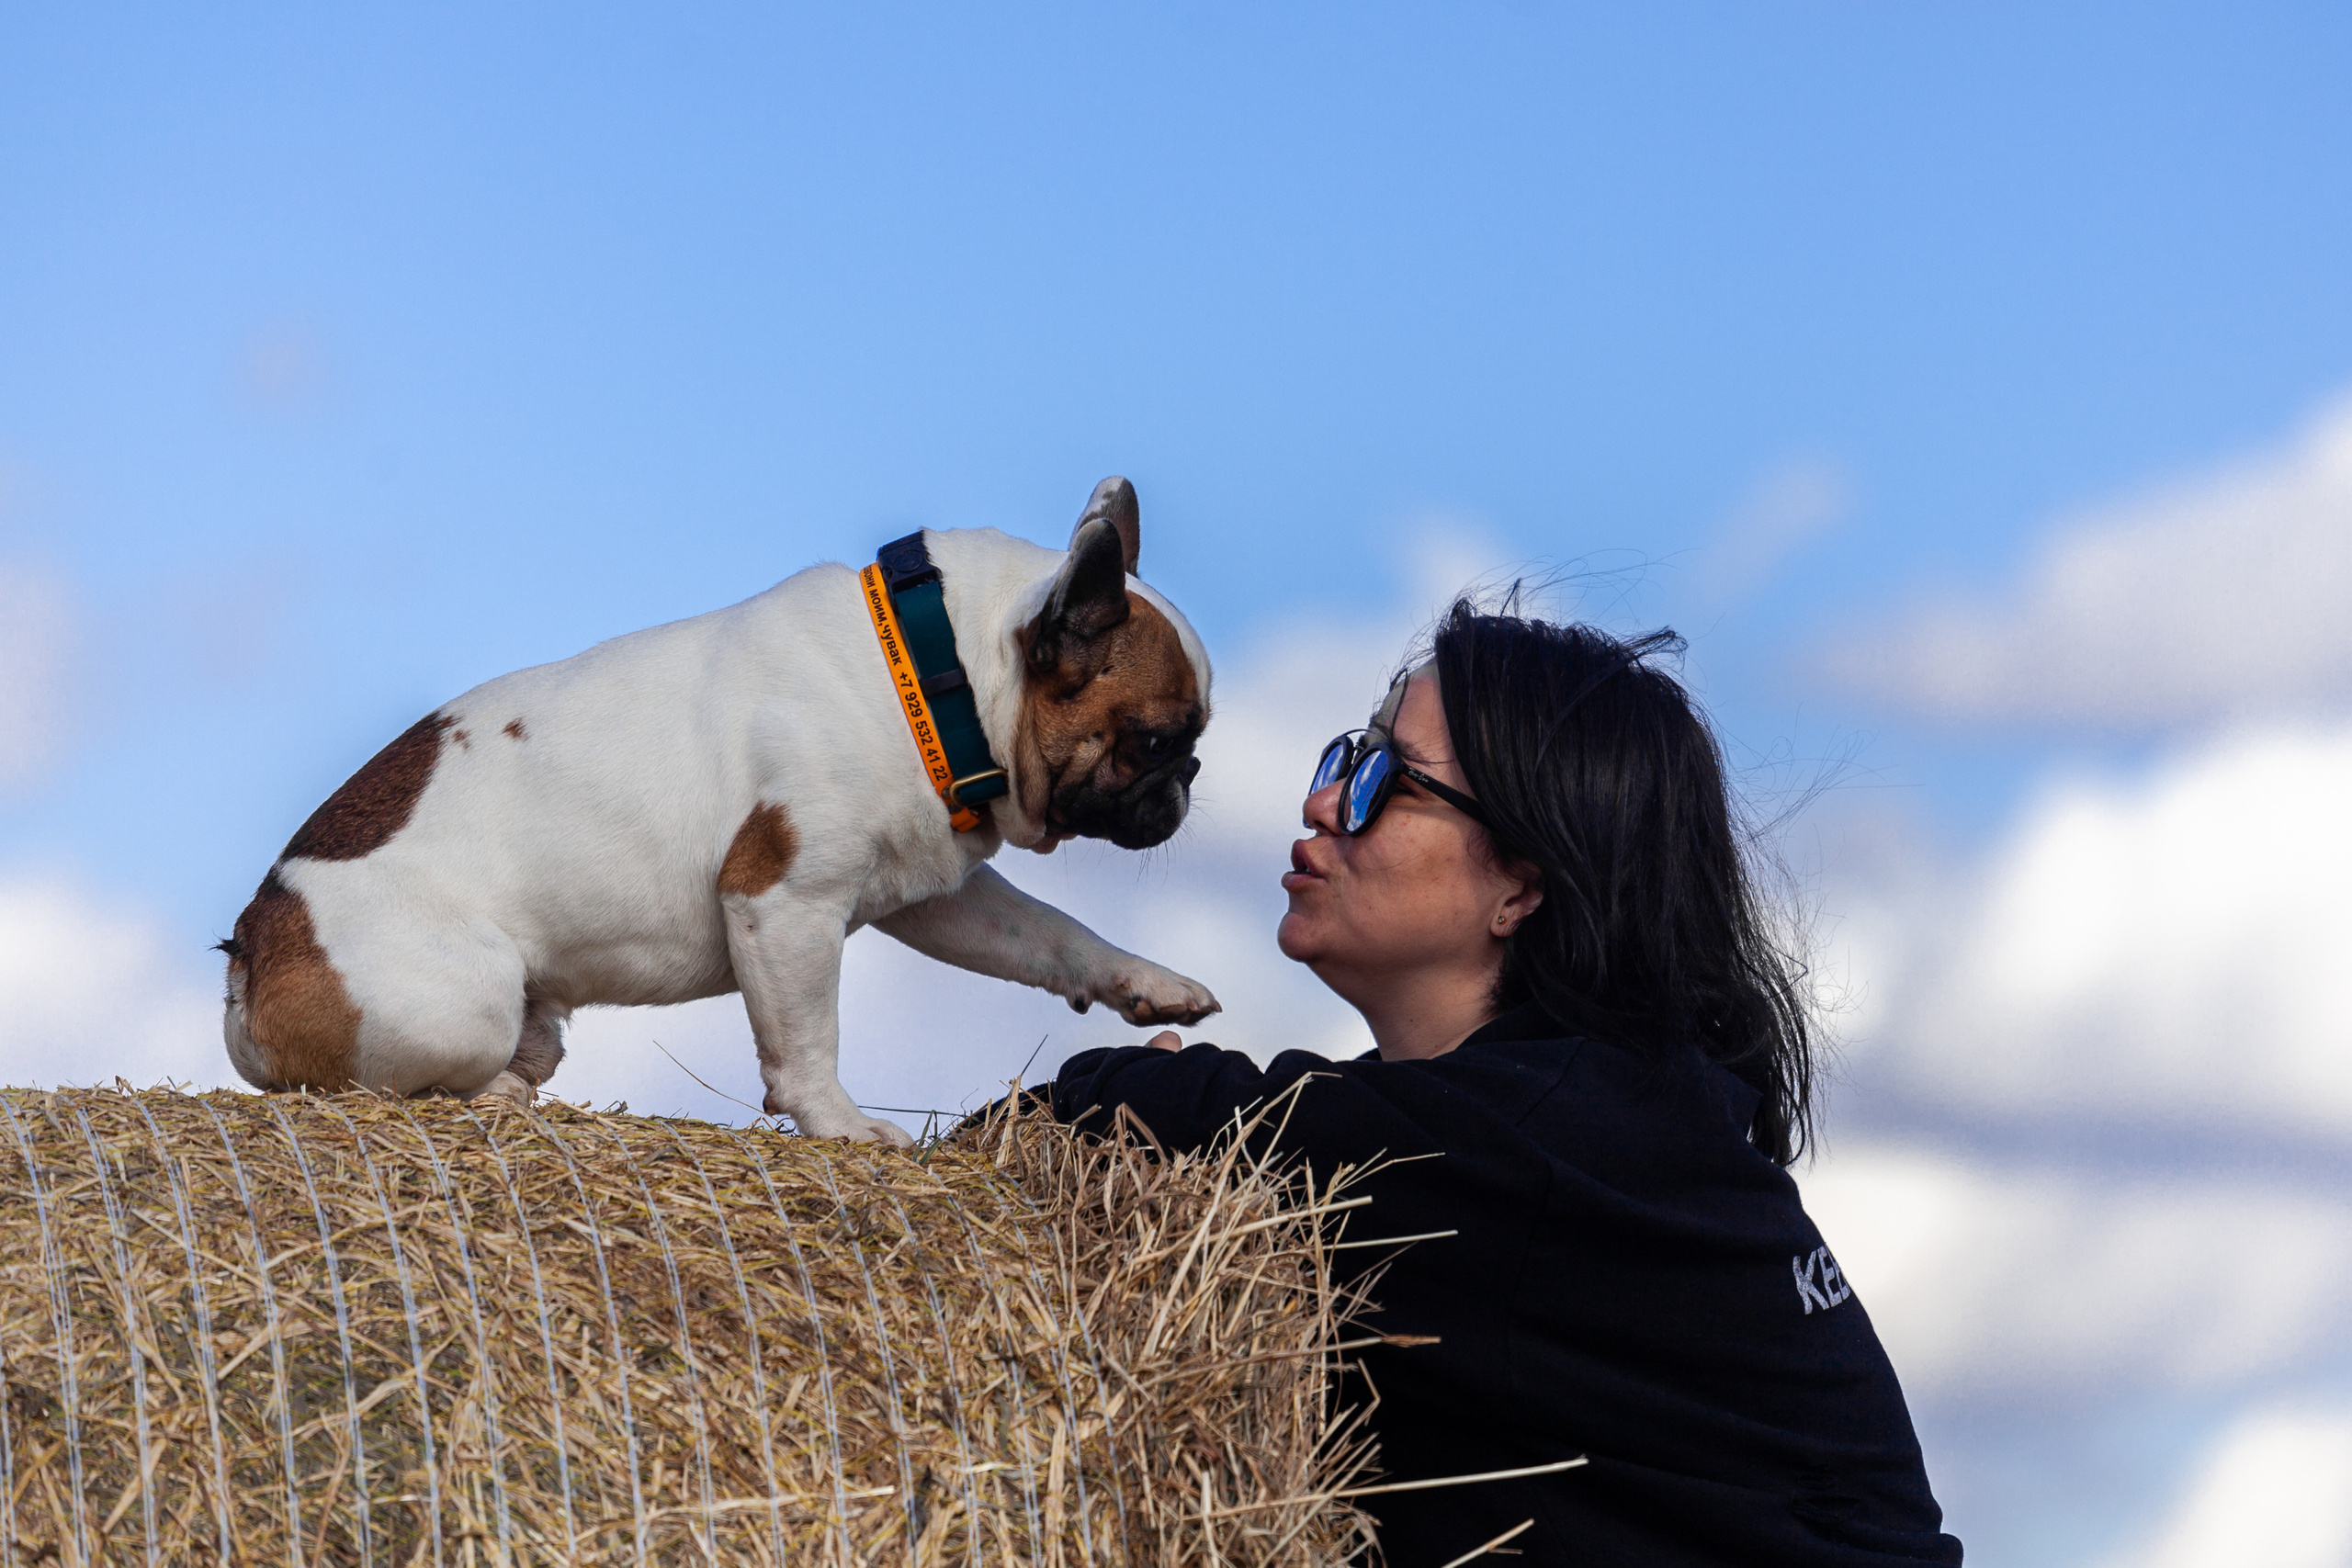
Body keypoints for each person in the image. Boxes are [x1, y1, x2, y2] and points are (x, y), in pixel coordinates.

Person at [1048, 601, 1962, 1567]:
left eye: (1382, 784)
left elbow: (1110, 1109)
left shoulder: (1536, 1147)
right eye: (1342, 760)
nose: (1322, 805)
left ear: (1521, 888)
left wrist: (1141, 1090)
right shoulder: (1587, 1118)